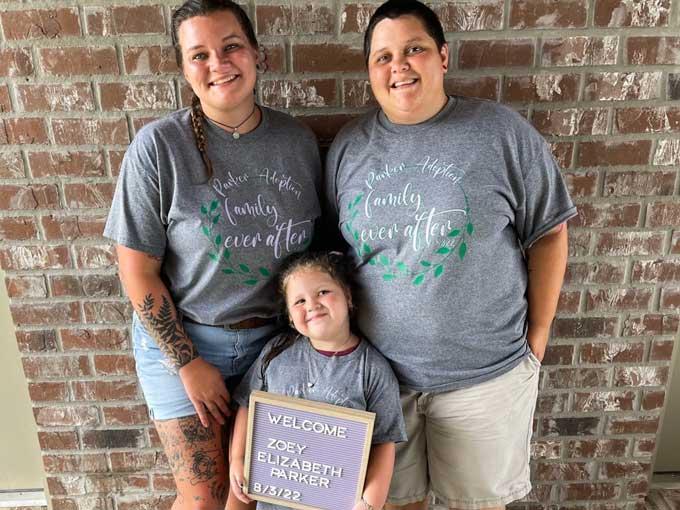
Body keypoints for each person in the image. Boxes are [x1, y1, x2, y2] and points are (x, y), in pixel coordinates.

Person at [324, 1, 577, 509]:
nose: (399, 66)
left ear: (442, 56)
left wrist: (539, 336)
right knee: (395, 504)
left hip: (485, 378)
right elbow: (337, 253)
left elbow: (550, 233)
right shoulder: (348, 149)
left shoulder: (500, 134)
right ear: (369, 71)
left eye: (414, 49)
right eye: (383, 57)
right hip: (380, 381)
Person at [103, 1, 322, 508]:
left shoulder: (297, 141)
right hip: (184, 340)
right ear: (184, 69)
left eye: (231, 47)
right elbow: (136, 271)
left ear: (257, 54)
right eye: (199, 55)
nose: (218, 64)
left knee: (261, 493)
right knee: (205, 497)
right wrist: (188, 363)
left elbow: (313, 256)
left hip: (275, 346)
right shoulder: (159, 147)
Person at [229, 251, 407, 510]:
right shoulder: (276, 352)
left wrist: (369, 503)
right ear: (290, 317)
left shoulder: (373, 370)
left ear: (348, 296)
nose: (312, 305)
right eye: (299, 301)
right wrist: (237, 458)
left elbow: (384, 443)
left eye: (323, 292)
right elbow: (248, 404)